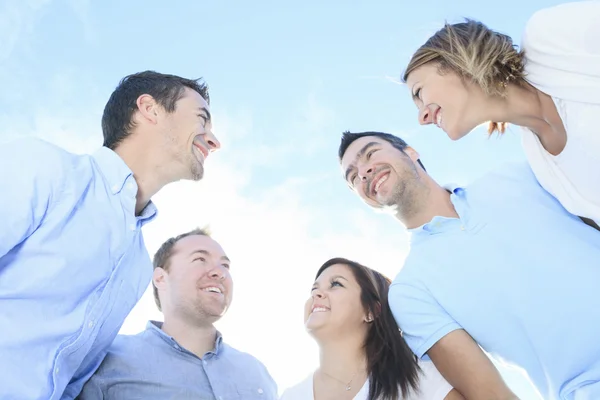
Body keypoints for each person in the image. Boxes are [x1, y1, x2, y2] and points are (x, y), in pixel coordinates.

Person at [0, 70, 221, 399]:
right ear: (150, 109)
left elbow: (73, 381)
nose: (213, 140)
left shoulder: (137, 267)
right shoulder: (45, 170)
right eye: (201, 118)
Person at [338, 131, 600, 399]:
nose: (364, 172)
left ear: (410, 151)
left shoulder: (516, 176)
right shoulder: (410, 292)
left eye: (370, 153)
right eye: (353, 177)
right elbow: (490, 394)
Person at [402, 1, 600, 228]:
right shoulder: (546, 171)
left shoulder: (550, 38)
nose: (422, 118)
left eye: (419, 92)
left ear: (454, 58)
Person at [79, 228, 278, 399]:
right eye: (200, 259)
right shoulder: (104, 361)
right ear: (160, 278)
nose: (220, 272)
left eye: (225, 265)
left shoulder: (256, 372)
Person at [281, 257, 462, 400]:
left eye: (336, 284)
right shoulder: (291, 396)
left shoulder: (415, 378)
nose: (316, 294)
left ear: (371, 311)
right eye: (314, 288)